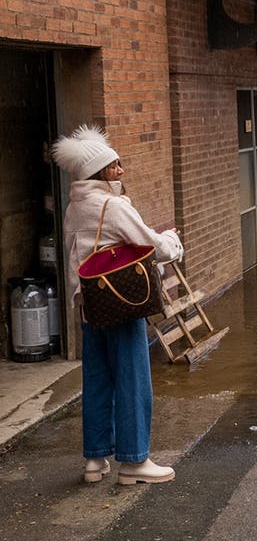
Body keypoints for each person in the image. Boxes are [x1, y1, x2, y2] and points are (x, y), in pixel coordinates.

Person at [51, 125, 184, 486]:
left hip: (89, 305)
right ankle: (134, 462)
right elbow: (151, 245)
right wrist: (173, 243)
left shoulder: (74, 206)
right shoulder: (111, 205)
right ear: (99, 174)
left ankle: (95, 460)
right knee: (133, 379)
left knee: (97, 379)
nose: (121, 171)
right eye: (114, 168)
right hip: (121, 304)